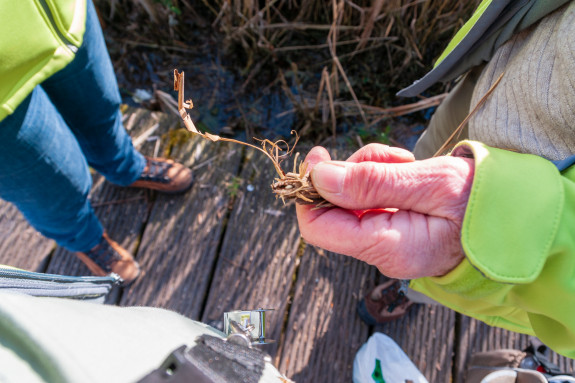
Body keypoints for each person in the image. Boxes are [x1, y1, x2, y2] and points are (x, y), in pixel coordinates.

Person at [296, 0, 575, 359]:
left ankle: (410, 289)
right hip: (501, 71)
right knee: (422, 164)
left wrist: (495, 223)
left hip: (535, 196)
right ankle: (411, 274)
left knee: (443, 261)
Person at [0, 0, 193, 285]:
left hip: (63, 16)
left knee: (99, 110)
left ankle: (125, 167)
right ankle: (85, 238)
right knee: (49, 185)